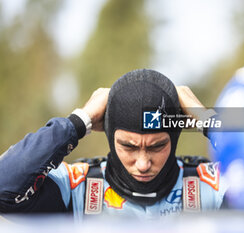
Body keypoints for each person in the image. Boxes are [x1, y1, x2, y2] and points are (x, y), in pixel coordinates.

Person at [0, 69, 227, 221]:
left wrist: (211, 121)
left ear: (175, 136)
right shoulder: (76, 188)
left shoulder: (210, 185)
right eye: (129, 146)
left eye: (157, 146)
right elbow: (3, 186)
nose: (143, 163)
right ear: (109, 136)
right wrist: (77, 122)